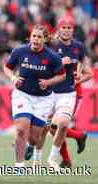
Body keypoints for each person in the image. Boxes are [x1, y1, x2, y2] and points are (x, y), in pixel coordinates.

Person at [26, 16, 92, 169]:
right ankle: (37, 161)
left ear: (73, 30)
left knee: (60, 125)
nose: (67, 30)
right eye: (64, 27)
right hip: (49, 93)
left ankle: (53, 160)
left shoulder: (79, 47)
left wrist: (79, 78)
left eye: (70, 28)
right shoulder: (51, 44)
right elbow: (40, 64)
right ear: (58, 28)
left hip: (68, 92)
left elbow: (87, 72)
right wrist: (58, 63)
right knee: (44, 128)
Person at [3, 24, 66, 169]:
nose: (36, 39)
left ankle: (30, 145)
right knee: (21, 129)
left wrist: (49, 82)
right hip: (22, 95)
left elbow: (62, 75)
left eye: (39, 37)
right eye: (34, 36)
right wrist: (13, 78)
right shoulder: (20, 51)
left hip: (43, 99)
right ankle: (19, 166)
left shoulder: (53, 57)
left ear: (45, 39)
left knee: (34, 138)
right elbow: (7, 67)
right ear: (30, 37)